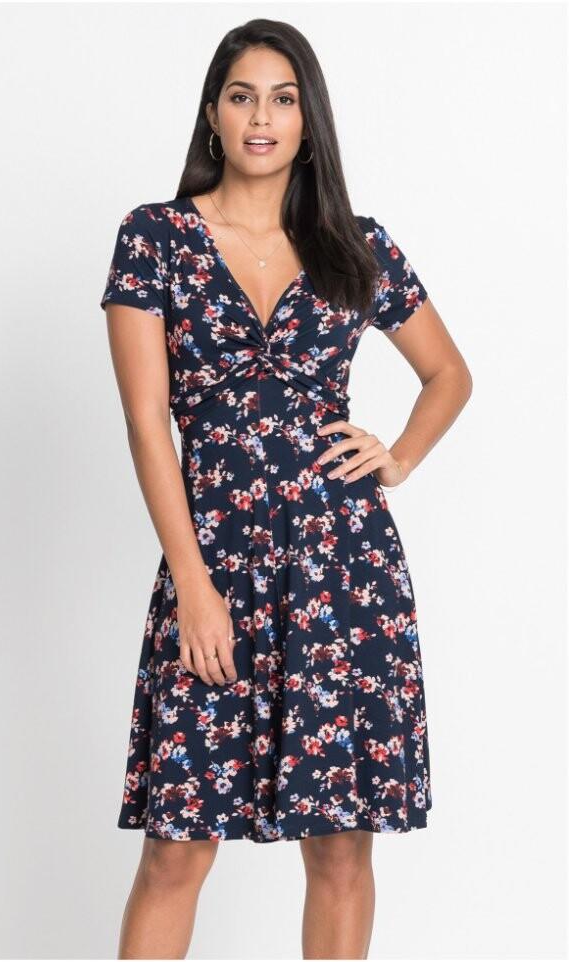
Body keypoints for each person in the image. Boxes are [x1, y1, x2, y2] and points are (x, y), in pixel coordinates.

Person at [100, 18, 472, 961]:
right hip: (213, 570)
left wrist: (397, 456)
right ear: (213, 115)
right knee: (176, 847)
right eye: (241, 97)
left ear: (308, 121)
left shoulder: (356, 244)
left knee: (341, 848)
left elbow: (448, 375)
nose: (260, 118)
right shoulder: (156, 237)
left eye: (281, 98)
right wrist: (192, 584)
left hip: (343, 575)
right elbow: (147, 423)